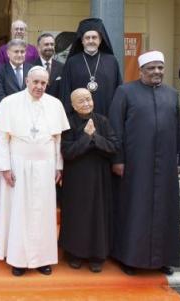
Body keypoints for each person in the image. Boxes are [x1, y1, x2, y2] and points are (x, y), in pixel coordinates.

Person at [109, 51, 180, 276]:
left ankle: (163, 259)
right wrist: (117, 159)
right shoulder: (125, 92)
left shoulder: (172, 94)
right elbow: (115, 128)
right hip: (134, 164)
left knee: (165, 211)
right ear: (141, 70)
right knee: (134, 210)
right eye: (151, 68)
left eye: (160, 68)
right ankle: (129, 258)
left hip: (166, 166)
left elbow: (179, 128)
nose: (157, 72)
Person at [0, 66, 69, 276]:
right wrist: (5, 167)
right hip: (18, 166)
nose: (39, 86)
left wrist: (58, 165)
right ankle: (18, 259)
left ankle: (42, 258)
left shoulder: (55, 104)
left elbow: (58, 139)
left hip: (45, 168)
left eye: (44, 83)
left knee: (43, 213)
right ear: (27, 81)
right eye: (36, 82)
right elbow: (2, 138)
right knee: (20, 212)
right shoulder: (10, 103)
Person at [59, 88, 118, 273]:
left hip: (99, 178)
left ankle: (97, 255)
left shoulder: (103, 121)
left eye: (88, 99)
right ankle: (75, 254)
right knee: (77, 215)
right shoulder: (68, 123)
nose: (86, 103)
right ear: (73, 105)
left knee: (98, 215)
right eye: (81, 101)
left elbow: (113, 146)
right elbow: (67, 152)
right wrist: (86, 137)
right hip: (76, 179)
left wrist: (94, 137)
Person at [60, 18, 122, 116]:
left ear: (100, 39)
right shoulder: (72, 62)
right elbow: (66, 92)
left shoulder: (111, 61)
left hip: (107, 117)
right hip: (78, 118)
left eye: (94, 37)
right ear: (82, 41)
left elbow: (118, 90)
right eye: (87, 38)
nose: (91, 41)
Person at [0, 39, 32, 105]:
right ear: (8, 53)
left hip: (29, 110)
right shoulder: (0, 71)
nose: (19, 55)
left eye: (22, 52)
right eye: (16, 52)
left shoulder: (32, 69)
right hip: (9, 111)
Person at [33, 33, 64, 98]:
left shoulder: (62, 67)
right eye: (46, 44)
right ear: (38, 47)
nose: (50, 47)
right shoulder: (31, 66)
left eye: (52, 44)